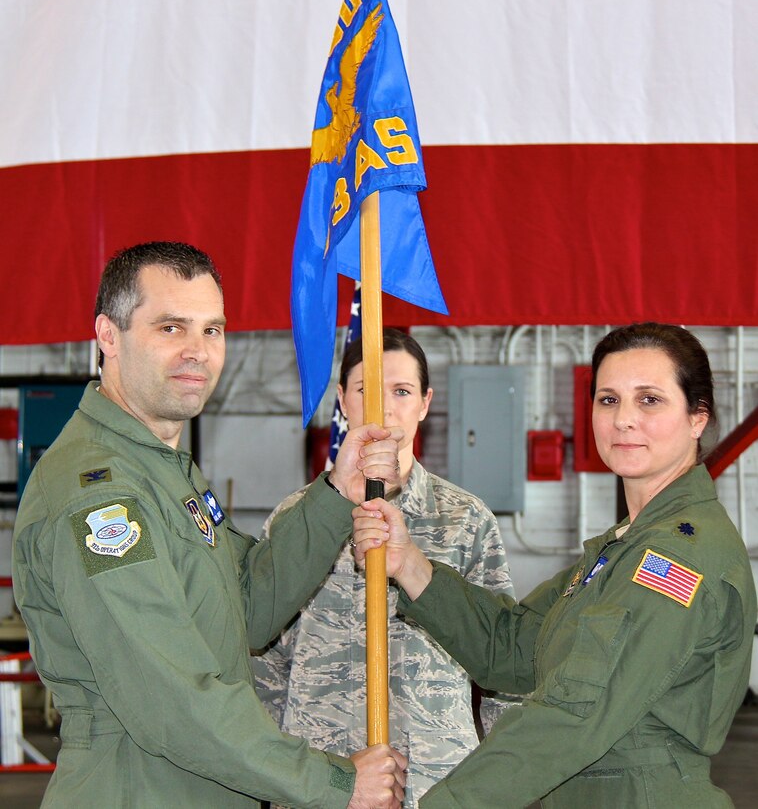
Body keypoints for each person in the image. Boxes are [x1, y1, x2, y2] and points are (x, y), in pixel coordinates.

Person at [12, 241, 407, 809]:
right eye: (171, 328)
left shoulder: (163, 470)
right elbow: (169, 697)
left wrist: (336, 494)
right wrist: (335, 783)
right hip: (139, 789)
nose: (198, 352)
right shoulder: (101, 495)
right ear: (108, 336)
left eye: (212, 330)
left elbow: (245, 608)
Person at [353, 322, 757, 808]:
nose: (624, 420)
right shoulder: (624, 547)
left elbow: (574, 714)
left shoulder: (676, 557)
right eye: (608, 400)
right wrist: (409, 564)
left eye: (649, 400)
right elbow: (512, 648)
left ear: (697, 418)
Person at [253, 328, 514, 807]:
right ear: (342, 401)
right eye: (366, 390)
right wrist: (272, 783)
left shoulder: (466, 520)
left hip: (439, 781)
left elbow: (503, 664)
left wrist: (502, 784)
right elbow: (263, 667)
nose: (384, 409)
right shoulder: (297, 519)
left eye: (402, 391)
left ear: (425, 403)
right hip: (323, 781)